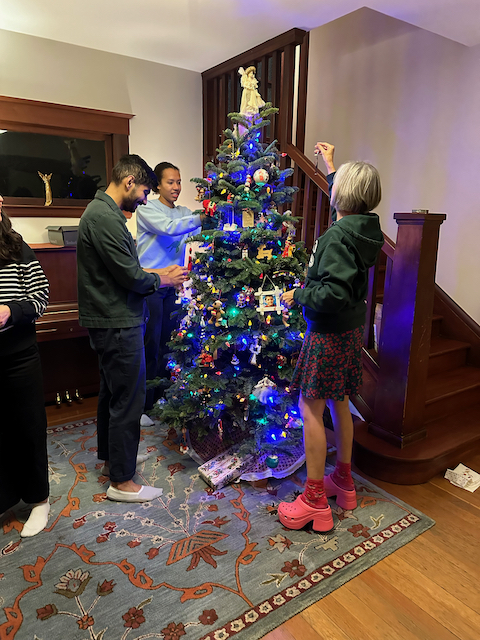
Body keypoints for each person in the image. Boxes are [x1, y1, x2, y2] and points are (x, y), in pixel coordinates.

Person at [278, 142, 384, 532]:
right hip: (349, 332)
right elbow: (345, 197)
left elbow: (333, 294)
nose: (332, 188)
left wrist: (299, 295)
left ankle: (315, 501)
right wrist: (330, 165)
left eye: (335, 184)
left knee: (310, 409)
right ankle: (344, 481)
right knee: (340, 402)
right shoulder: (363, 228)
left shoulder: (338, 237)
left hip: (327, 334)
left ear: (343, 195)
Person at [77, 155, 187, 503]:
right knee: (128, 399)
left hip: (113, 319)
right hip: (117, 321)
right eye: (143, 191)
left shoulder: (104, 213)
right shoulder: (104, 218)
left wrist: (159, 273)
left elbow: (126, 267)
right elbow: (131, 276)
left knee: (112, 393)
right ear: (129, 183)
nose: (144, 199)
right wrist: (164, 279)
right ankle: (122, 482)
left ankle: (114, 461)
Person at [0, 194, 51, 536]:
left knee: (29, 428)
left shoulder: (18, 248)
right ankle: (5, 498)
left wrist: (11, 311)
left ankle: (39, 500)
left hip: (19, 356)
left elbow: (41, 297)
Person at [136, 162, 204, 412]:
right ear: (158, 185)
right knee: (150, 345)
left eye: (179, 182)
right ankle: (145, 406)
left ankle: (164, 400)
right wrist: (201, 217)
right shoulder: (147, 208)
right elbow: (168, 227)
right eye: (170, 182)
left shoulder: (184, 211)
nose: (176, 187)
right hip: (151, 284)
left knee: (170, 343)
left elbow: (197, 233)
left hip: (175, 286)